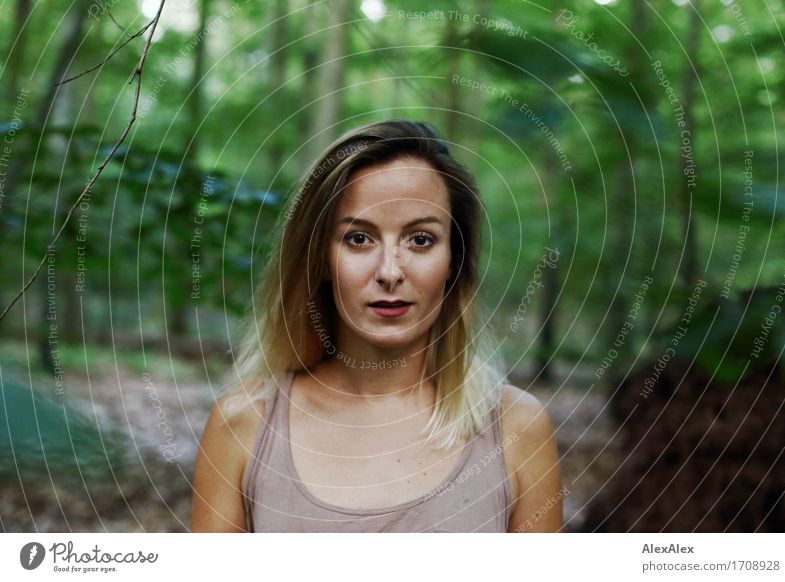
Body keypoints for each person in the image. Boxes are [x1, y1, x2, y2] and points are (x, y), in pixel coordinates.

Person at [190, 119, 562, 532]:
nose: (389, 272)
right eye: (359, 239)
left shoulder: (517, 430)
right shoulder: (242, 424)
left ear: (453, 261)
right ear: (319, 259)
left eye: (420, 239)